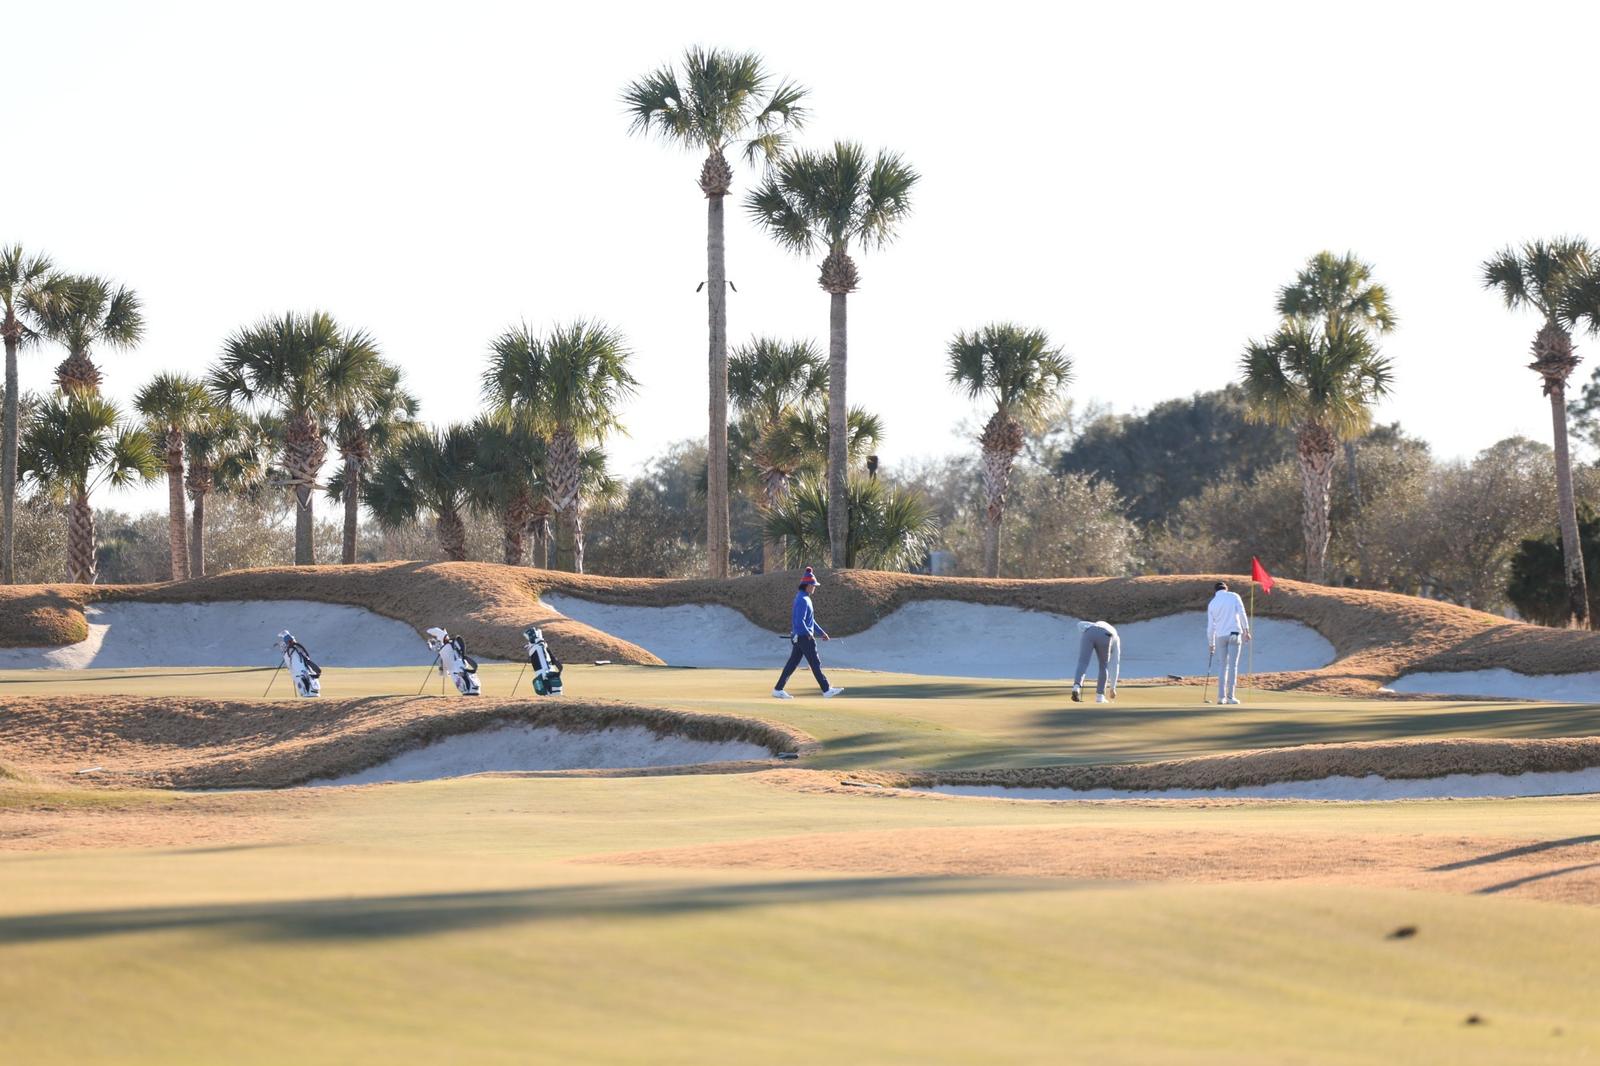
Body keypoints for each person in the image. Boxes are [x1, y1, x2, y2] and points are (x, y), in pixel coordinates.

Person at [772, 567, 845, 700]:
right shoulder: (803, 600)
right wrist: (808, 633)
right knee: (815, 663)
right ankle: (826, 690)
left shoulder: (804, 598)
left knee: (792, 664)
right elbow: (799, 621)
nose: (814, 587)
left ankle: (778, 689)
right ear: (807, 586)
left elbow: (810, 621)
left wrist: (821, 632)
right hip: (804, 637)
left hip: (800, 636)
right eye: (813, 585)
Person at [1206, 581, 1251, 704]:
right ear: (1226, 588)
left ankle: (1221, 698)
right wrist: (1246, 630)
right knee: (1233, 665)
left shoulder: (1212, 603)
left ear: (1215, 591)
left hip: (1220, 636)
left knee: (1222, 666)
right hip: (1234, 634)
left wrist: (1211, 644)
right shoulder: (1234, 596)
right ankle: (1231, 697)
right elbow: (1242, 613)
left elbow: (1210, 627)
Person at [1072, 620, 1120, 704]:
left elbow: (1079, 624)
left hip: (1089, 632)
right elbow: (1115, 663)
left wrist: (1085, 633)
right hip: (1105, 635)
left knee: (1083, 661)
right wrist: (1113, 688)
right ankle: (1100, 696)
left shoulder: (1093, 624)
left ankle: (1076, 686)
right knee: (1104, 666)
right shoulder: (1116, 638)